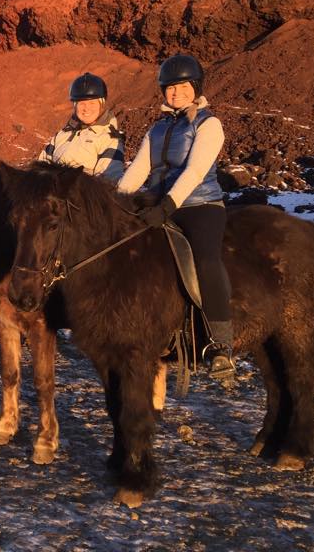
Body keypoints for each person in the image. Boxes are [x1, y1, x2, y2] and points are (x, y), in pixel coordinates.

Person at [117, 54, 234, 384]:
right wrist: (116, 202)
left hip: (200, 206)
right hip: (157, 204)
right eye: (169, 88)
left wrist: (168, 205)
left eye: (182, 87)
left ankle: (220, 345)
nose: (175, 93)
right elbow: (139, 169)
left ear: (195, 88)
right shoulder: (158, 128)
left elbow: (196, 170)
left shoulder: (209, 124)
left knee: (206, 261)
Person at [39, 72, 125, 181]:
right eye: (81, 103)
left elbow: (108, 183)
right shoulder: (63, 134)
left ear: (101, 105)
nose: (86, 108)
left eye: (92, 103)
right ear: (75, 106)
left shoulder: (110, 139)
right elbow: (41, 167)